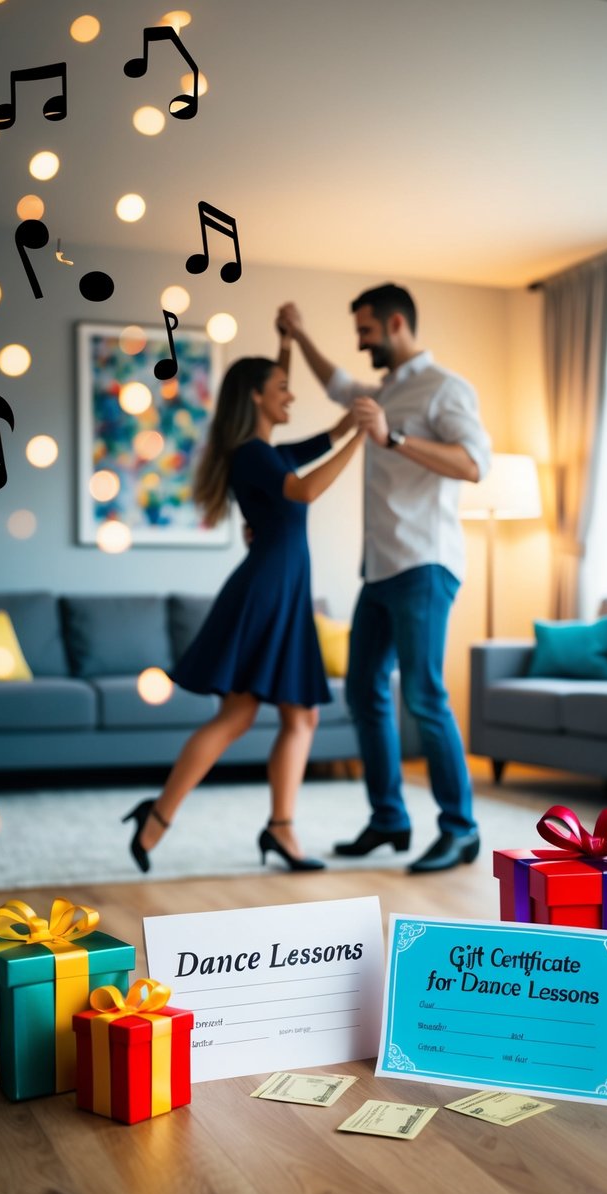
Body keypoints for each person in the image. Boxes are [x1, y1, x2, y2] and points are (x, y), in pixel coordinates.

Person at [123, 337, 365, 874]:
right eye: (281, 389)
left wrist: (288, 347)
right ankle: (171, 816)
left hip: (276, 588)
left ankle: (269, 827)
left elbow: (318, 440)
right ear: (255, 398)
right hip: (269, 592)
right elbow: (302, 491)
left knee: (287, 714)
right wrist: (361, 440)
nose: (291, 396)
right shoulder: (256, 455)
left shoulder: (264, 452)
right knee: (249, 715)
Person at [277, 284, 491, 873]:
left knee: (423, 693)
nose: (361, 343)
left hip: (425, 563)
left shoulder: (444, 388)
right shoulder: (387, 389)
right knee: (365, 688)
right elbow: (340, 386)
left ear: (396, 323)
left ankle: (461, 829)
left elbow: (474, 464)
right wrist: (299, 337)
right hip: (381, 568)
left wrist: (393, 437)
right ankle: (390, 818)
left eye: (366, 331)